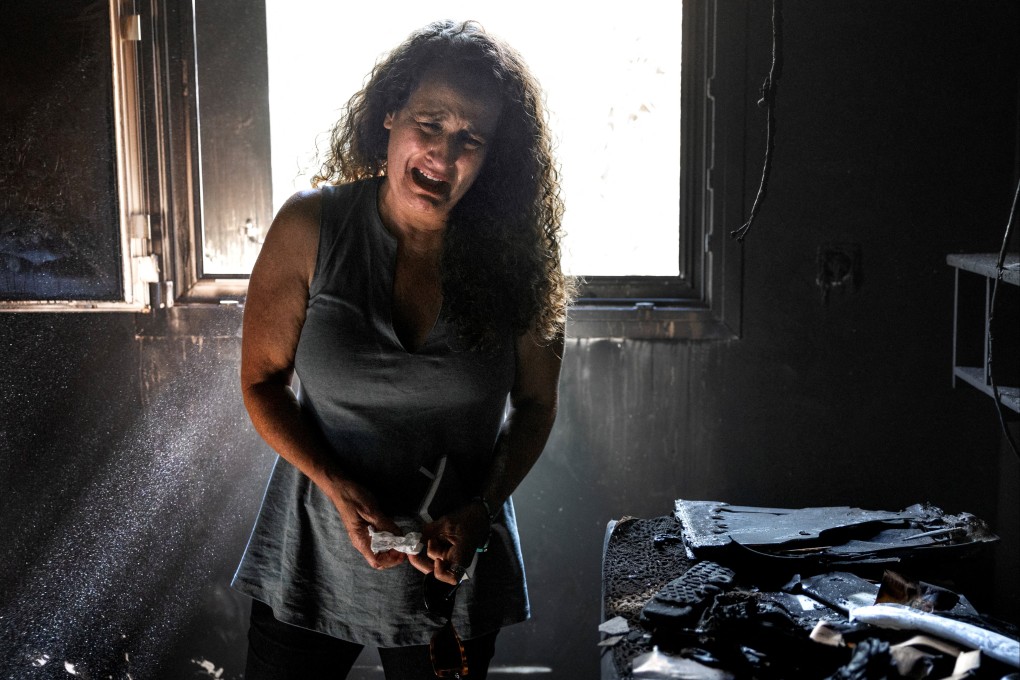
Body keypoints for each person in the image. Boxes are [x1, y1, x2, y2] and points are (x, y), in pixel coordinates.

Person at [232, 19, 572, 680]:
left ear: (494, 155)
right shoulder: (310, 227)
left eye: (470, 137)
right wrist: (335, 482)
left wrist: (481, 508)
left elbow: (534, 408)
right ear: (390, 114)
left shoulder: (521, 264)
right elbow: (261, 382)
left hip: (453, 566)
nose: (444, 153)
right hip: (311, 556)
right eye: (430, 121)